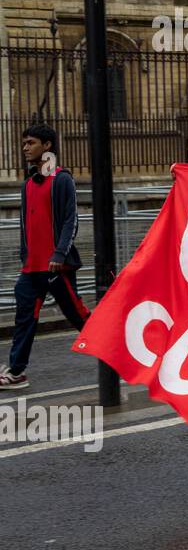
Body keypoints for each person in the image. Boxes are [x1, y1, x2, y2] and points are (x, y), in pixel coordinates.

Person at [0, 125, 92, 391]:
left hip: (57, 265)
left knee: (78, 316)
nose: (25, 147)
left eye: (31, 142)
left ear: (47, 146)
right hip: (31, 268)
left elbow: (70, 220)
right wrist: (25, 255)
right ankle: (17, 372)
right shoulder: (27, 183)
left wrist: (60, 253)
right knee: (24, 318)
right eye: (24, 143)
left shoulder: (62, 179)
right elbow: (24, 224)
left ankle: (119, 354)